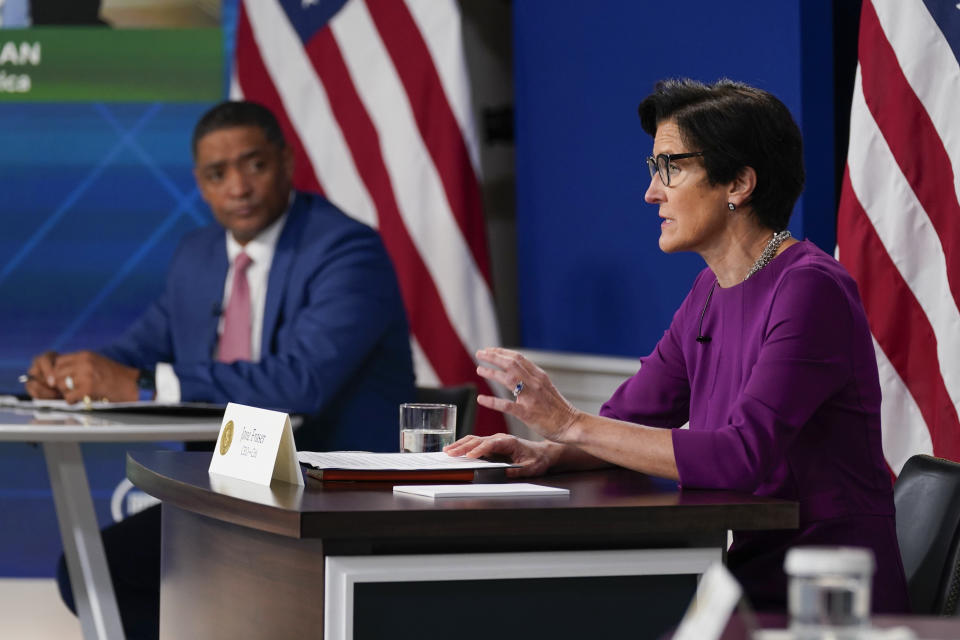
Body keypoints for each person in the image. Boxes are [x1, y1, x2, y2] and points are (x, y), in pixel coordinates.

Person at [446, 79, 909, 613]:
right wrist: (548, 454)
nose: (651, 192)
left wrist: (569, 424)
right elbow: (633, 414)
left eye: (671, 167)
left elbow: (741, 456)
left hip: (829, 594)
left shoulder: (810, 289)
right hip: (743, 577)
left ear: (739, 182)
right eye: (654, 169)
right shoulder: (709, 289)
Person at [27, 100, 415, 638]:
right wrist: (72, 373)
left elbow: (300, 383)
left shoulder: (346, 250)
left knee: (233, 596)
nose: (238, 187)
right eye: (217, 174)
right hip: (231, 490)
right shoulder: (198, 254)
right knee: (91, 572)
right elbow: (138, 349)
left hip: (325, 497)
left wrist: (143, 386)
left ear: (286, 161)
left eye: (253, 165)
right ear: (200, 184)